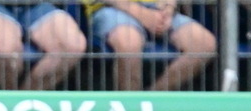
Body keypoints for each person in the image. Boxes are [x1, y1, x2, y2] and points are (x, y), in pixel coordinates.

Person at [84, 0, 215, 91]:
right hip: (112, 8)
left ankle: (153, 98)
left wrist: (168, 9)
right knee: (129, 44)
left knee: (204, 44)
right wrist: (143, 15)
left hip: (157, 10)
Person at [0, 2, 88, 90]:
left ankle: (24, 102)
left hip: (37, 5)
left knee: (72, 46)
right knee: (4, 50)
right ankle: (11, 102)